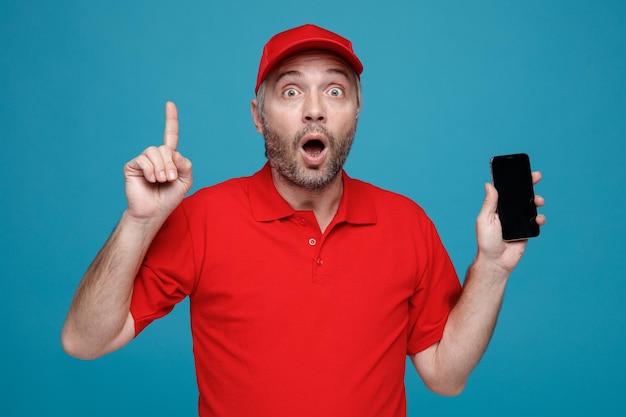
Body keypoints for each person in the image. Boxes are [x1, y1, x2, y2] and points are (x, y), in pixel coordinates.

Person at [62, 24, 546, 417]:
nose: (314, 109)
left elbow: (446, 375)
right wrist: (138, 221)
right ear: (258, 114)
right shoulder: (203, 218)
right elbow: (84, 340)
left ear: (356, 111)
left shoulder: (406, 223)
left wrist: (492, 269)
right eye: (291, 90)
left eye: (335, 90)